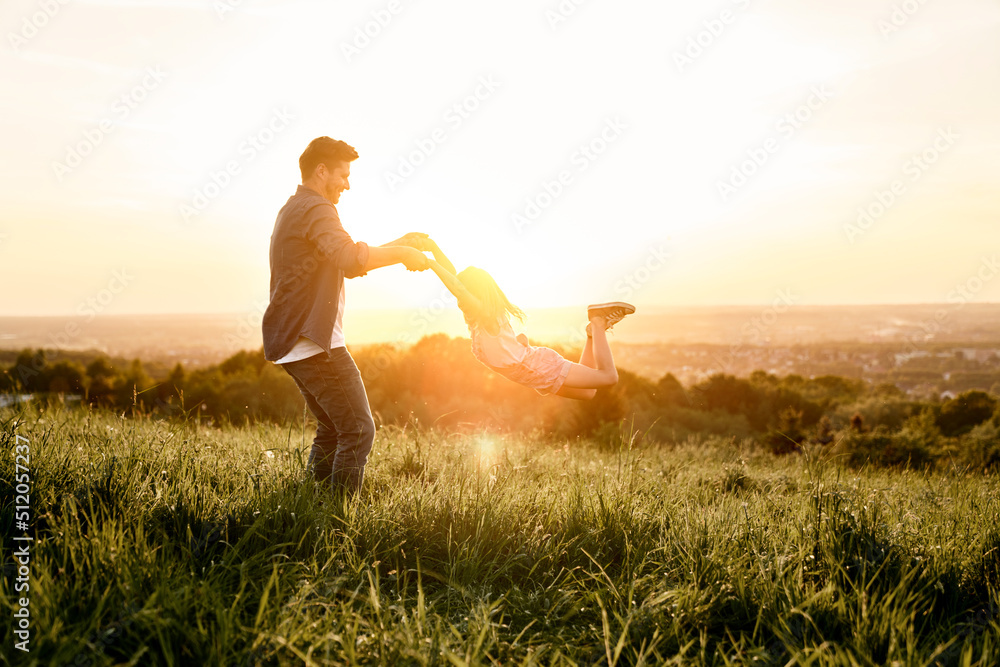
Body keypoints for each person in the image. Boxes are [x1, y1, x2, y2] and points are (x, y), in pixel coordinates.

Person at [261, 136, 430, 494]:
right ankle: (337, 519)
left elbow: (343, 255)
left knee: (334, 428)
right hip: (314, 344)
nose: (348, 184)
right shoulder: (317, 209)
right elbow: (350, 258)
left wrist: (400, 243)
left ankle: (313, 502)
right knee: (358, 429)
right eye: (344, 174)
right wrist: (401, 254)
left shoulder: (294, 207)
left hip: (292, 342)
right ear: (321, 171)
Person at [421, 239, 634, 400]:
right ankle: (591, 335)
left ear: (473, 293)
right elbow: (454, 278)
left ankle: (598, 322)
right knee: (588, 393)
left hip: (541, 368)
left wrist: (430, 263)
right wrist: (432, 247)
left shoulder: (485, 316)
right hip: (534, 375)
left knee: (609, 378)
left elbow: (457, 288)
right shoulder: (474, 318)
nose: (459, 297)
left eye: (464, 292)